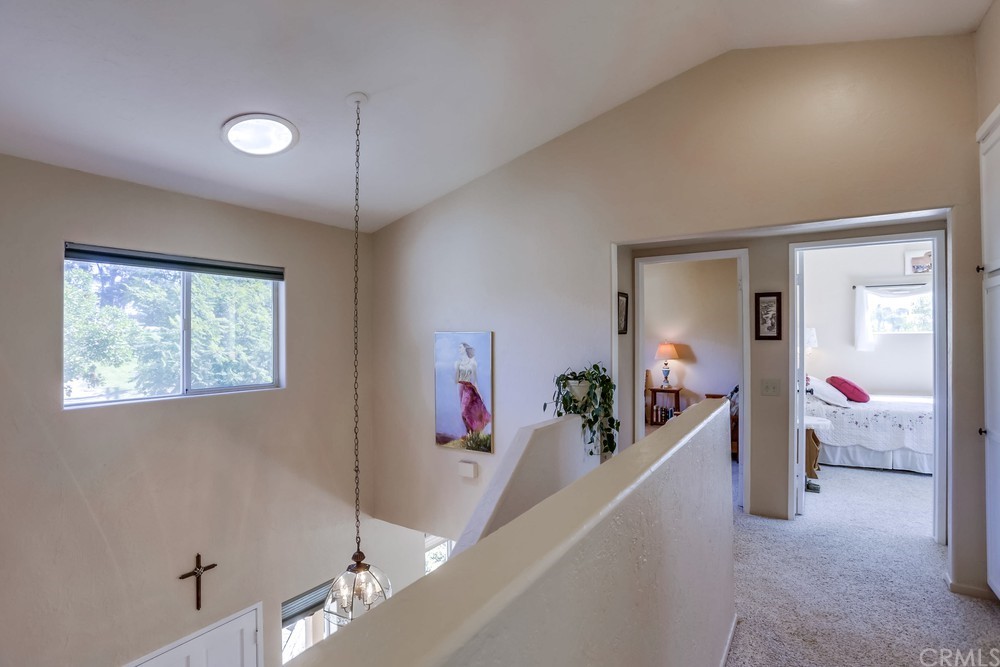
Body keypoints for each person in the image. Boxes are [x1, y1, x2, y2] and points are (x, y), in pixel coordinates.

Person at [455, 343, 491, 435]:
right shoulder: (458, 362)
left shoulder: (472, 362)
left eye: (460, 347)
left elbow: (475, 380)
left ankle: (474, 430)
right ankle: (470, 433)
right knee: (464, 413)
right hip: (461, 387)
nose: (458, 349)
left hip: (468, 387)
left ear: (465, 349)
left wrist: (479, 393)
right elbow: (457, 379)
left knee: (464, 411)